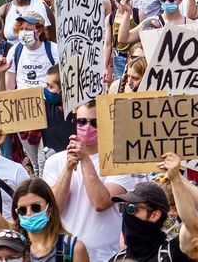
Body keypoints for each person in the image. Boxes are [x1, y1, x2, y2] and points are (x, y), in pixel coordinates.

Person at [0, 130, 90, 262]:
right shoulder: (14, 239)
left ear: (49, 207)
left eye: (35, 207)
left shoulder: (71, 249)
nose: (29, 213)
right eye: (22, 210)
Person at [42, 102, 136, 262]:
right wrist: (68, 168)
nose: (88, 127)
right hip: (67, 252)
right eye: (82, 121)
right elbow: (53, 208)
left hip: (107, 254)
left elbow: (100, 202)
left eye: (95, 122)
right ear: (74, 123)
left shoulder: (118, 161)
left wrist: (85, 159)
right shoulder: (54, 161)